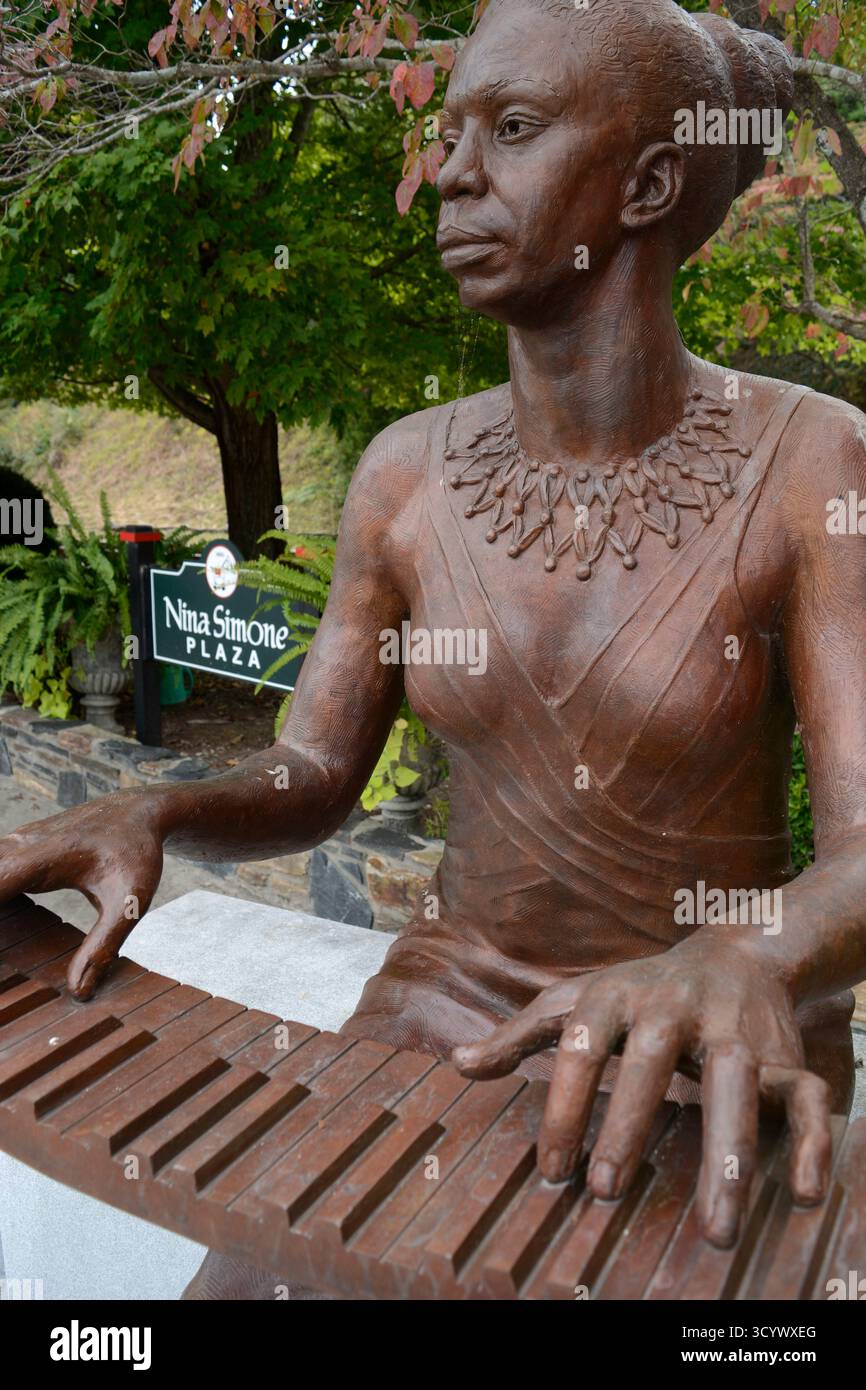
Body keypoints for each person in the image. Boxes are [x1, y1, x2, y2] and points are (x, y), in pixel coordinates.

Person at [2, 0, 865, 1297]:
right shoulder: (406, 473)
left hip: (706, 1053)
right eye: (449, 133)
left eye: (508, 129)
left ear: (644, 183)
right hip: (451, 1015)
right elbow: (312, 768)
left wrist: (750, 951)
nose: (449, 175)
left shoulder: (809, 462)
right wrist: (155, 805)